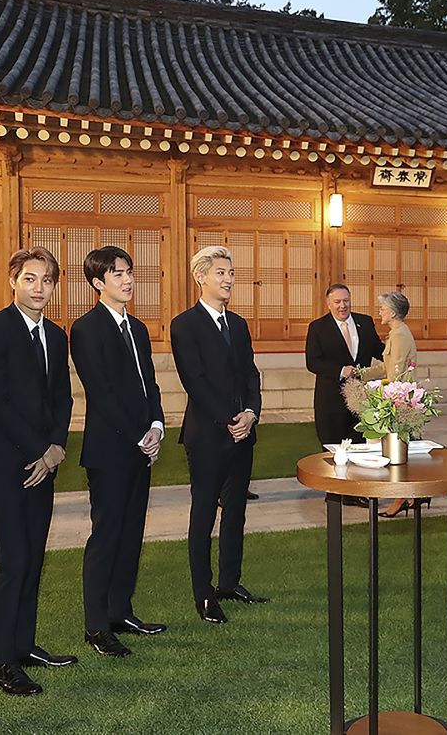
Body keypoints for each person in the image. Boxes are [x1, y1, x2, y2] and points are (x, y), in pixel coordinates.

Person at [0, 247, 76, 697]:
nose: (39, 288)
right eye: (30, 279)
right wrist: (39, 451)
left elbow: (63, 398)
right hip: (6, 466)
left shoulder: (55, 334)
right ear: (13, 280)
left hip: (43, 465)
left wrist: (55, 449)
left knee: (33, 559)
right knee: (12, 560)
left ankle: (24, 646)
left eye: (47, 280)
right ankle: (0, 662)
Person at [70, 246, 166, 657]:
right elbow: (102, 393)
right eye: (118, 274)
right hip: (110, 450)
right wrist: (137, 434)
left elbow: (151, 385)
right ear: (97, 283)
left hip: (141, 446)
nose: (127, 280)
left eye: (129, 272)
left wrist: (158, 426)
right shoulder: (86, 329)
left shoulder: (139, 328)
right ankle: (96, 626)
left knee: (131, 535)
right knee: (107, 537)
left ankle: (120, 611)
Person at [172, 245, 267, 624]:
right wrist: (231, 417)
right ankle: (204, 593)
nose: (228, 279)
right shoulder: (184, 324)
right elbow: (194, 381)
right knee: (204, 513)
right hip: (208, 435)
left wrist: (250, 413)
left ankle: (230, 582)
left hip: (243, 434)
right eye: (221, 273)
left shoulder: (239, 324)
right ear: (201, 277)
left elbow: (250, 374)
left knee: (236, 512)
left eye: (231, 272)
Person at [306, 284, 384, 507]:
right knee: (332, 445)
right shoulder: (318, 327)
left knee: (359, 443)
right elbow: (313, 362)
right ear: (328, 304)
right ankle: (334, 490)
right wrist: (341, 370)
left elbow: (378, 349)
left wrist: (396, 354)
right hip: (330, 399)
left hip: (359, 398)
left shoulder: (365, 322)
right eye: (338, 302)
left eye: (346, 301)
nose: (343, 306)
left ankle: (354, 491)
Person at [364, 291, 424, 518]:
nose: (379, 312)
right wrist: (362, 374)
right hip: (395, 398)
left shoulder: (399, 336)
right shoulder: (395, 334)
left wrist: (377, 390)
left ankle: (404, 497)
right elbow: (385, 367)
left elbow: (396, 375)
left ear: (392, 312)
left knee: (398, 455)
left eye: (382, 309)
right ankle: (409, 496)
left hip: (399, 401)